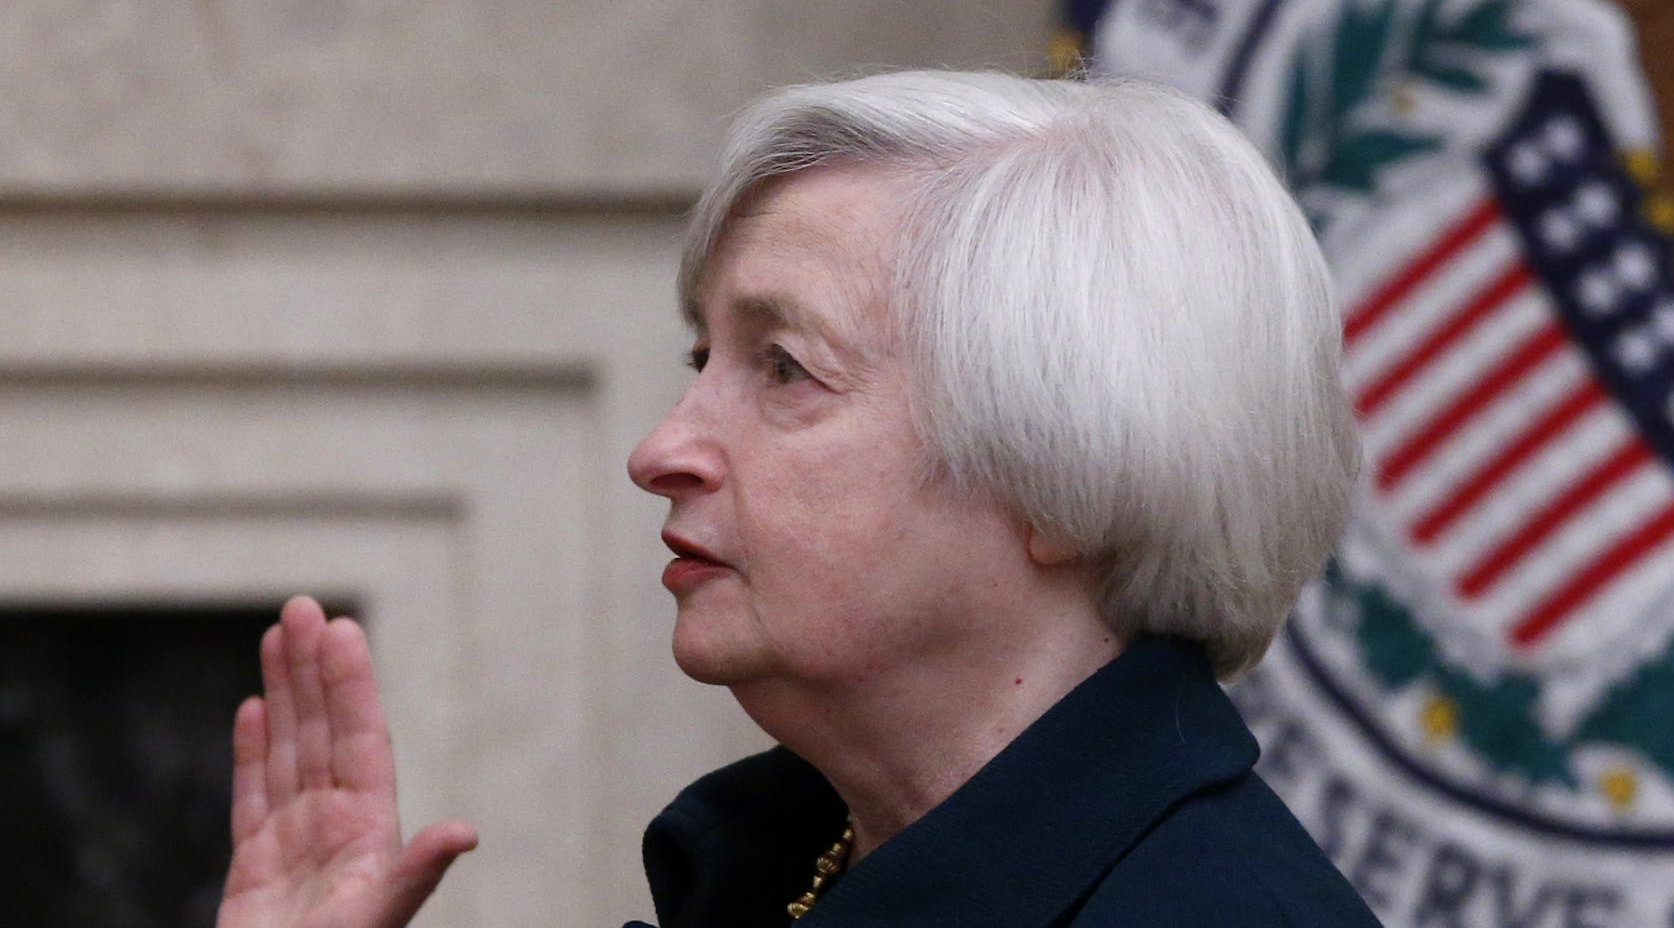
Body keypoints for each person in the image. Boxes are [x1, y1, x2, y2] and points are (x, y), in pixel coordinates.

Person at [214, 70, 1382, 928]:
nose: (661, 449)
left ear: (1069, 476)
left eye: (784, 367)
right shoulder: (777, 874)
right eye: (698, 364)